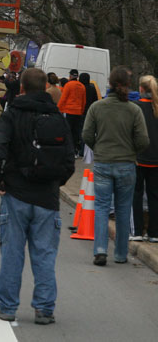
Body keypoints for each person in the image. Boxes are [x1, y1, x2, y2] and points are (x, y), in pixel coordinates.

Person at [0, 68, 75, 326]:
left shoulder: (12, 114)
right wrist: (56, 182)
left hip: (16, 193)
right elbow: (69, 158)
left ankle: (7, 307)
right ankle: (44, 309)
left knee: (12, 252)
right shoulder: (57, 116)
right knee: (44, 254)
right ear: (46, 87)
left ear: (21, 88)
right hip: (47, 197)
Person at [82, 66, 150, 266]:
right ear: (128, 86)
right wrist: (132, 151)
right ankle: (120, 253)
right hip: (126, 163)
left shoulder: (97, 107)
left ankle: (100, 250)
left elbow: (86, 134)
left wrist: (98, 148)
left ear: (110, 84)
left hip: (103, 162)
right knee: (122, 209)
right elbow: (143, 140)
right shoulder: (133, 110)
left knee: (102, 208)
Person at [133, 75, 158, 242]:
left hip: (138, 157)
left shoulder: (135, 108)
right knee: (154, 195)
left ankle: (137, 230)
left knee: (136, 194)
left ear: (140, 89)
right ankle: (154, 232)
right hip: (155, 159)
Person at [57, 69, 86, 157]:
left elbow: (63, 98)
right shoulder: (82, 86)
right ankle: (75, 151)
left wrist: (58, 109)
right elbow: (84, 101)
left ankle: (68, 150)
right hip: (78, 112)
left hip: (68, 111)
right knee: (76, 132)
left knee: (67, 131)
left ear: (70, 76)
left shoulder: (68, 85)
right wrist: (81, 111)